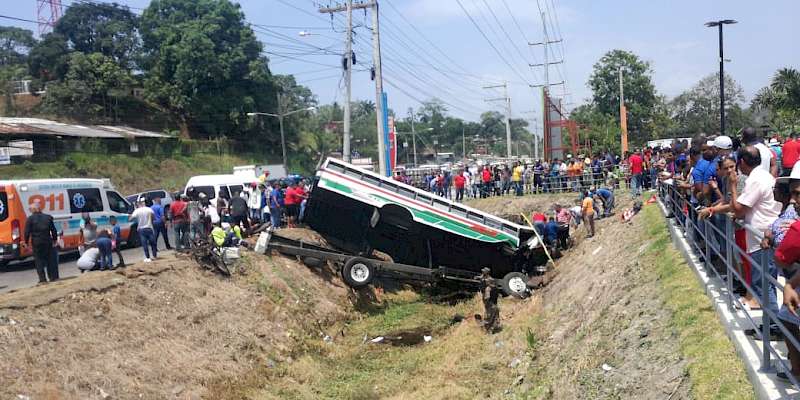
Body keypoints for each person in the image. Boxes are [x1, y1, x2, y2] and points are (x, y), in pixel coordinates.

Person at [729, 146, 782, 337]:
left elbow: (738, 209)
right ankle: (771, 325)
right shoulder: (764, 176)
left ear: (742, 162)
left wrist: (733, 186)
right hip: (764, 236)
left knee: (763, 284)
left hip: (761, 239)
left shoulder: (756, 180)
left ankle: (775, 328)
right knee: (766, 283)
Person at [23, 200, 59, 283]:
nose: (30, 211)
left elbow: (27, 232)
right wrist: (54, 240)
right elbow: (53, 230)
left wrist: (26, 242)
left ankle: (42, 279)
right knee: (50, 260)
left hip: (37, 242)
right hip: (47, 241)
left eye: (30, 209)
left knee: (39, 261)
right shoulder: (48, 217)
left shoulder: (30, 219)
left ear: (33, 209)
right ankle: (52, 277)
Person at [478, 267, 500, 333]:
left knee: (490, 314)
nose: (482, 273)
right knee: (492, 313)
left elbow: (487, 297)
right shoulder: (485, 278)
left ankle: (489, 328)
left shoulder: (489, 286)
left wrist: (486, 302)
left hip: (490, 302)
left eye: (483, 272)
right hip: (491, 302)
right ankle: (491, 327)